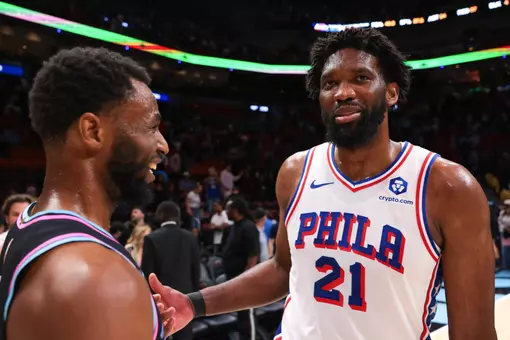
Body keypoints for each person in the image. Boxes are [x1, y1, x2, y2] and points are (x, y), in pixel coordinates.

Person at [150, 28, 497, 340]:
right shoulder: (296, 172)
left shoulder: (447, 187)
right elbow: (284, 270)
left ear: (391, 92)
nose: (343, 92)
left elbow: (475, 333)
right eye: (330, 84)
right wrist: (194, 304)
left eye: (361, 78)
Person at [0, 47, 170, 340]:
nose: (163, 145)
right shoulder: (92, 276)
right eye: (151, 127)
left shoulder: (29, 223)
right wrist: (113, 302)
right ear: (92, 131)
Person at [141, 201, 200, 340]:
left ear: (161, 214)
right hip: (187, 296)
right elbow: (196, 271)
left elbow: (147, 274)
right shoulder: (190, 237)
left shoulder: (151, 238)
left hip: (161, 300)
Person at [222, 197, 260, 340]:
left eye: (228, 209)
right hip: (235, 279)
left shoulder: (248, 227)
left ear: (236, 210)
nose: (226, 211)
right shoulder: (233, 227)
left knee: (247, 316)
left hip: (245, 281)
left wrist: (246, 279)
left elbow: (253, 255)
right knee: (241, 316)